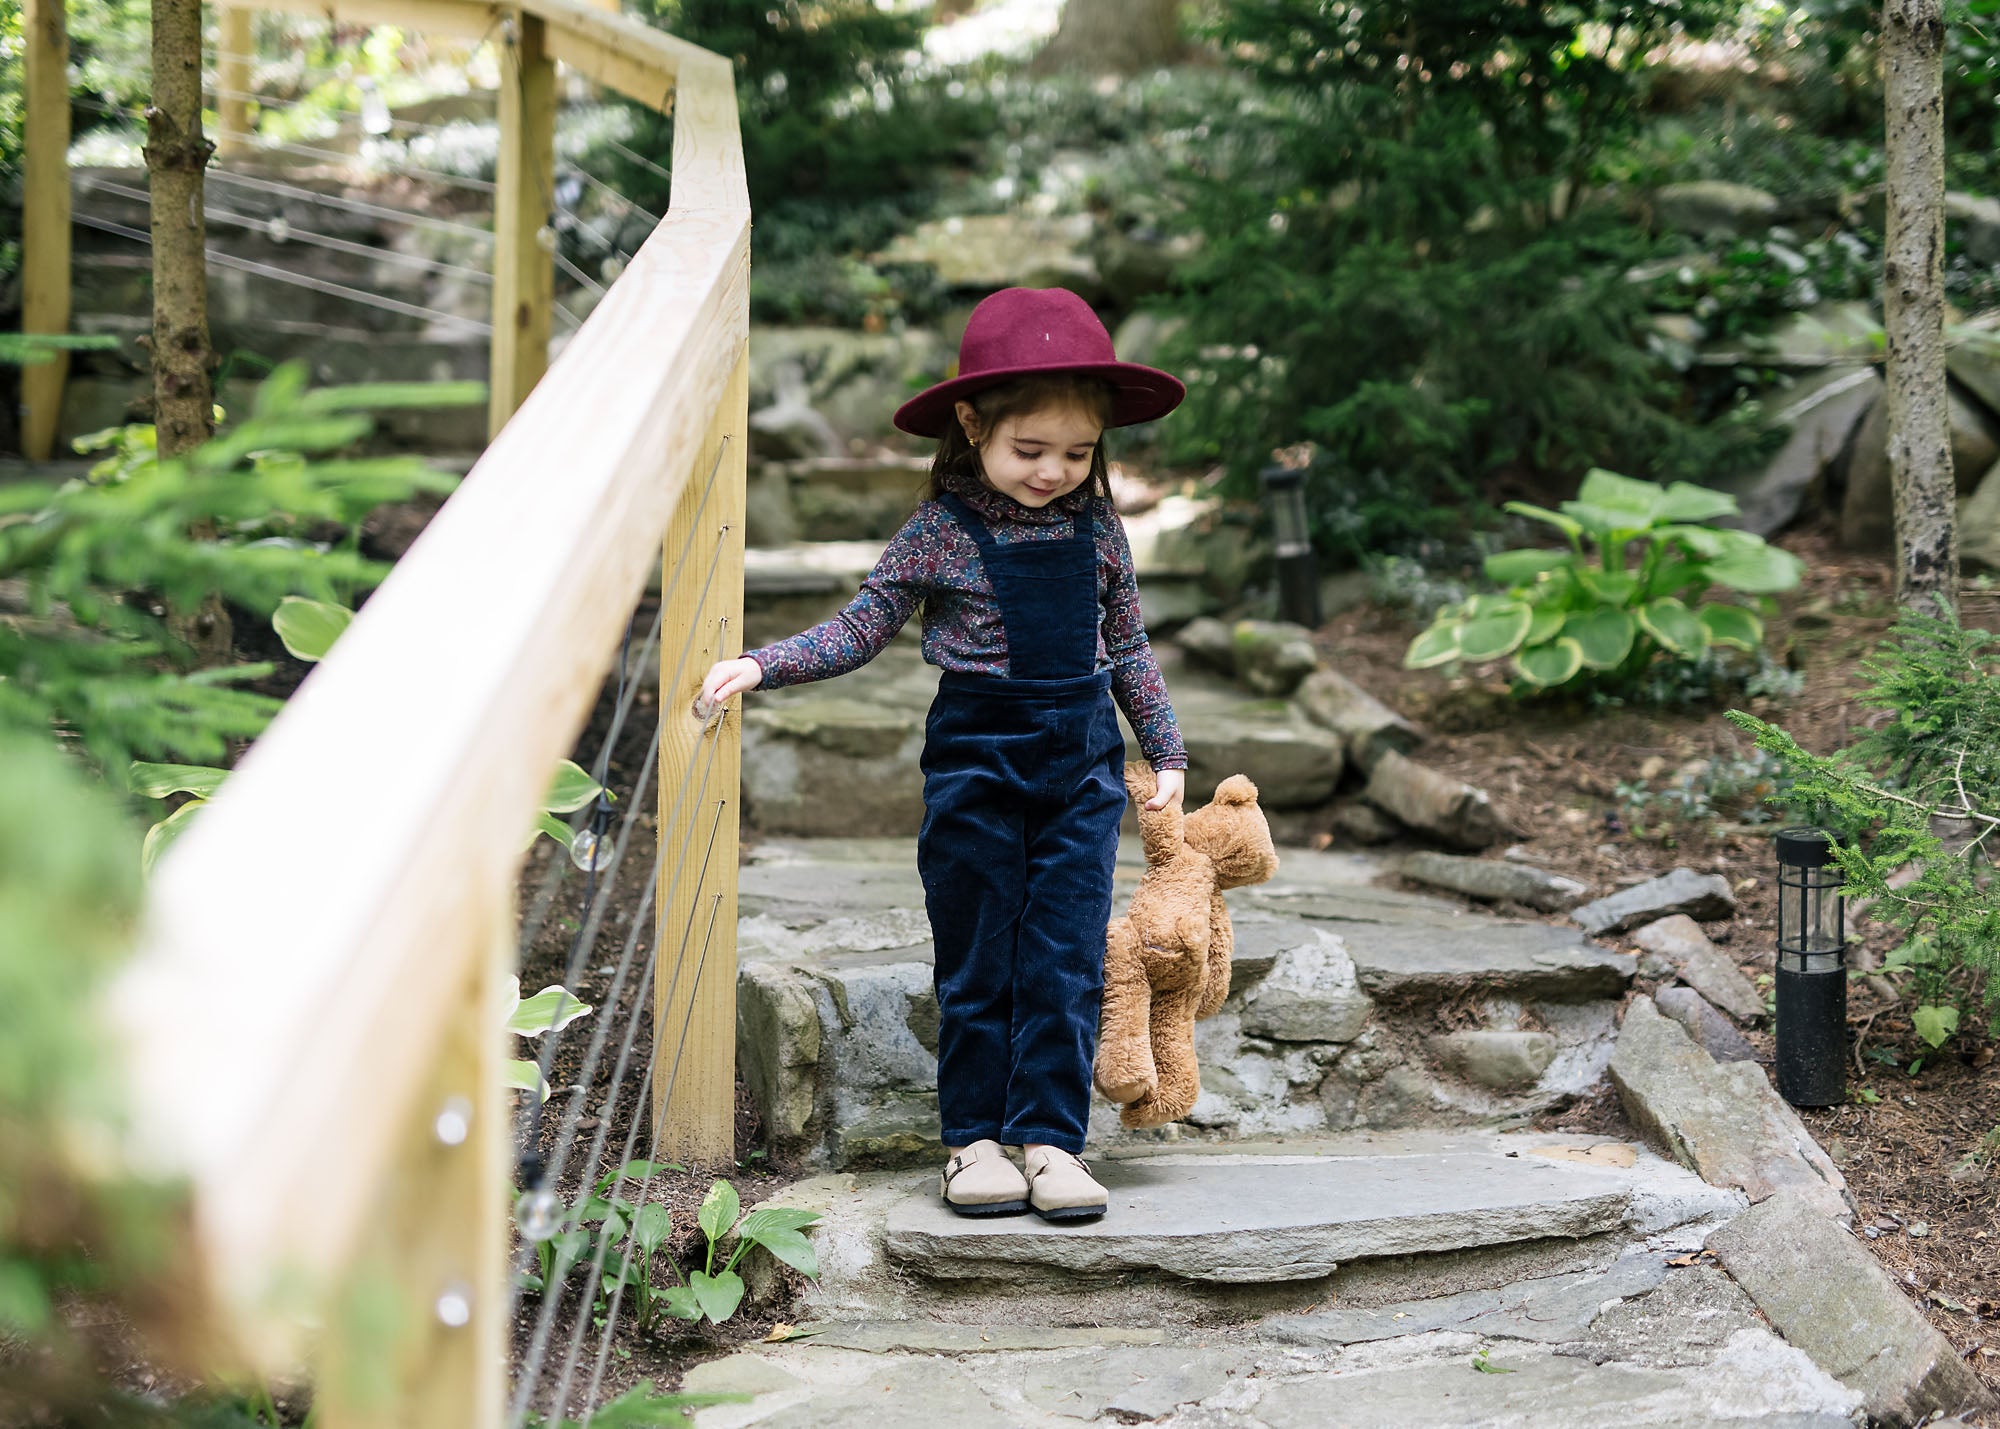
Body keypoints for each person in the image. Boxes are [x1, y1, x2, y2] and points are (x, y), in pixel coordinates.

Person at [700, 287, 1188, 1222]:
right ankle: (971, 1141)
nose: (1053, 472)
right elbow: (861, 625)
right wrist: (765, 663)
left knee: (1066, 953)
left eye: (1077, 454)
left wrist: (1162, 745)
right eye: (1029, 450)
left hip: (1082, 770)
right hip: (978, 768)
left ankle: (1051, 1139)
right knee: (979, 956)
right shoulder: (939, 532)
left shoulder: (1100, 530)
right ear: (972, 424)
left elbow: (1126, 645)